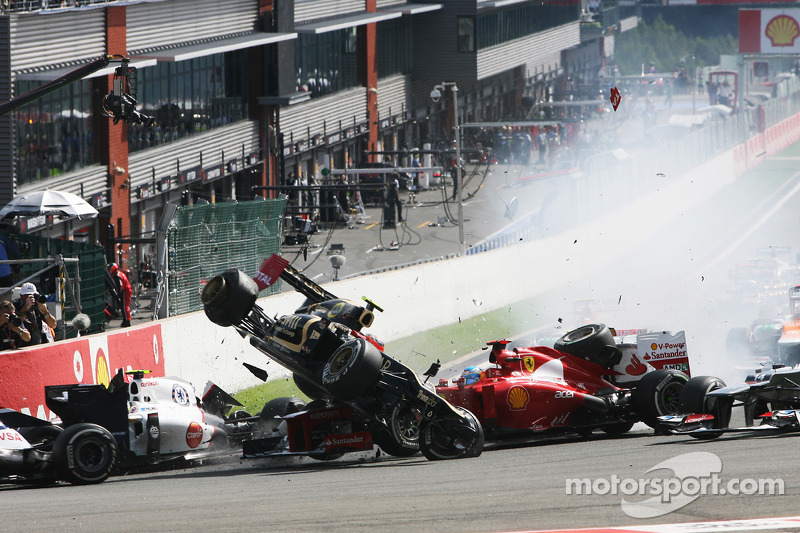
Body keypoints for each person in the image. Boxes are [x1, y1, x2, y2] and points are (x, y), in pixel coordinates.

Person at [108, 263, 133, 327]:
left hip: (126, 291)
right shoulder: (119, 274)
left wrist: (119, 293)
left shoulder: (118, 275)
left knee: (125, 306)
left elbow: (120, 285)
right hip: (125, 290)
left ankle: (127, 321)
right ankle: (125, 320)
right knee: (123, 306)